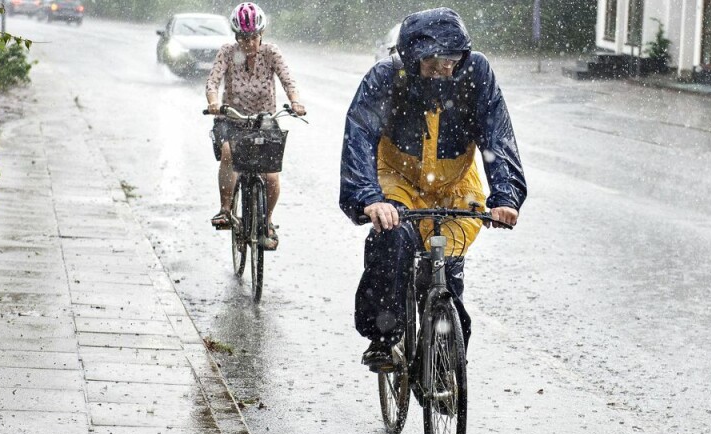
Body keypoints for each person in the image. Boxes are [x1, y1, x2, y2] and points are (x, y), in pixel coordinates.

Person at [339, 7, 527, 371]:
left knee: (446, 272)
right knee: (391, 237)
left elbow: (497, 134)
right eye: (436, 64)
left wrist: (505, 196)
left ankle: (444, 364)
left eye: (452, 62)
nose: (446, 71)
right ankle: (384, 337)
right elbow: (359, 134)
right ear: (412, 59)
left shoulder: (476, 72)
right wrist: (368, 198)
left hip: (457, 184)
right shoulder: (387, 76)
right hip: (398, 178)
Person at [205, 2, 306, 250]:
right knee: (228, 152)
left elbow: (287, 79)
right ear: (236, 36)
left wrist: (295, 102)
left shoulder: (271, 53)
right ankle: (226, 210)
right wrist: (214, 103)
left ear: (261, 34)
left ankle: (267, 222)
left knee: (271, 174)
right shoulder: (228, 52)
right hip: (232, 119)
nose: (248, 44)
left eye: (252, 37)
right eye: (242, 38)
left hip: (264, 121)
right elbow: (212, 82)